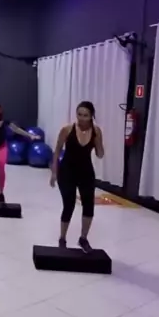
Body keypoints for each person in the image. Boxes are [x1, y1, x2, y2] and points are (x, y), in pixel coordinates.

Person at [50, 101, 105, 252]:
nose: (81, 118)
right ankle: (62, 238)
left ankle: (83, 238)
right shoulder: (67, 129)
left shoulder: (96, 131)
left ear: (91, 116)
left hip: (86, 172)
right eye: (79, 114)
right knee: (69, 205)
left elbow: (100, 154)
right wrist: (54, 172)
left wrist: (98, 142)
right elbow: (57, 150)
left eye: (85, 115)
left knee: (88, 206)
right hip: (66, 171)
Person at [0, 103, 40, 203]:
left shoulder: (4, 122)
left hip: (1, 147)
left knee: (1, 165)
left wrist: (30, 135)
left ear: (0, 111)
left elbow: (16, 129)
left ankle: (1, 193)